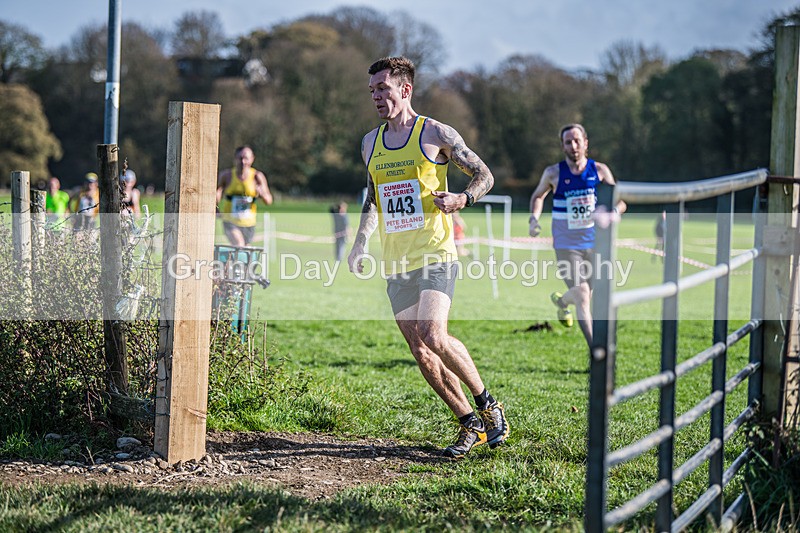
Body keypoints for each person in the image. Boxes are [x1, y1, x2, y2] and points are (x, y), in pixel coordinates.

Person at [347, 56, 509, 459]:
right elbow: (372, 199)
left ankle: (489, 406)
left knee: (434, 333)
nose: (376, 97)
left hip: (436, 252)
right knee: (420, 349)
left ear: (405, 89)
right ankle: (468, 422)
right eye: (371, 91)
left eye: (382, 89)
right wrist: (360, 242)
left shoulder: (434, 132)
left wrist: (462, 198)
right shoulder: (370, 143)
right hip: (396, 260)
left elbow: (484, 175)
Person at [528, 124, 626, 345]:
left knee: (586, 294)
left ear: (585, 143)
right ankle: (596, 351)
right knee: (582, 294)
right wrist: (534, 218)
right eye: (567, 142)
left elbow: (620, 201)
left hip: (596, 243)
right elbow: (538, 196)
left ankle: (562, 302)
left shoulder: (600, 171)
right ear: (562, 146)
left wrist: (613, 213)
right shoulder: (553, 173)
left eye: (576, 141)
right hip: (566, 244)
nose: (573, 146)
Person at [216, 145, 273, 246]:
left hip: (249, 223)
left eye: (246, 158)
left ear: (252, 159)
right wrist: (216, 208)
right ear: (235, 159)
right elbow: (216, 192)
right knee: (239, 244)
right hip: (230, 221)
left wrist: (262, 194)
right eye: (240, 158)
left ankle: (228, 262)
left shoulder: (257, 176)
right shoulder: (227, 175)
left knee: (245, 252)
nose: (243, 162)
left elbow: (269, 201)